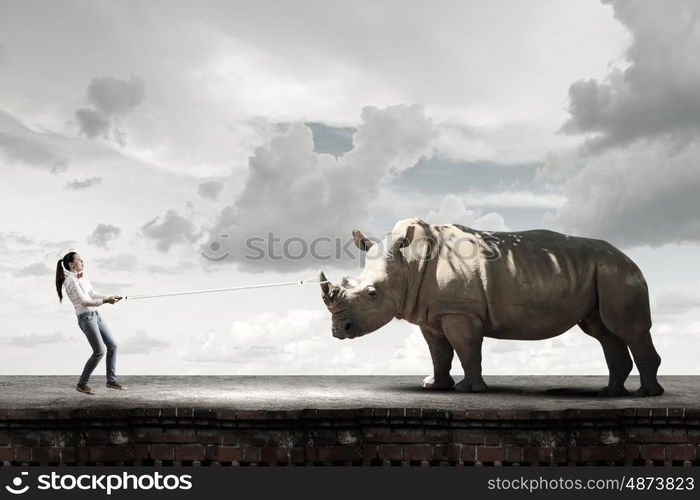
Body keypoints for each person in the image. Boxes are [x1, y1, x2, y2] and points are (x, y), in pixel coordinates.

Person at [55, 251, 126, 395]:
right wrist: (106, 301)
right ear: (71, 264)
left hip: (96, 315)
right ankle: (82, 383)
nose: (83, 262)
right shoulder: (71, 281)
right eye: (80, 260)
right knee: (99, 351)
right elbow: (84, 301)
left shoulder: (83, 278)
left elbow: (92, 295)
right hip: (86, 318)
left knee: (113, 345)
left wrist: (109, 297)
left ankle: (111, 380)